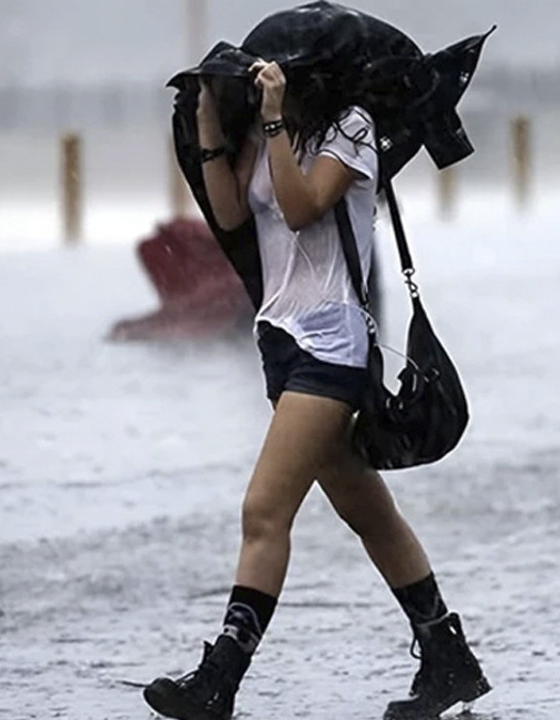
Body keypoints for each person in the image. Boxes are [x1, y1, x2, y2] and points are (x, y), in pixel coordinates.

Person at [141, 58, 490, 720]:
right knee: (370, 514)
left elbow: (301, 209)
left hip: (330, 346)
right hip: (280, 341)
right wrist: (213, 123)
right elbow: (229, 214)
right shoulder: (268, 132)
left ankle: (220, 680)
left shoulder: (351, 129)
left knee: (263, 511)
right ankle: (449, 659)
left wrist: (272, 120)